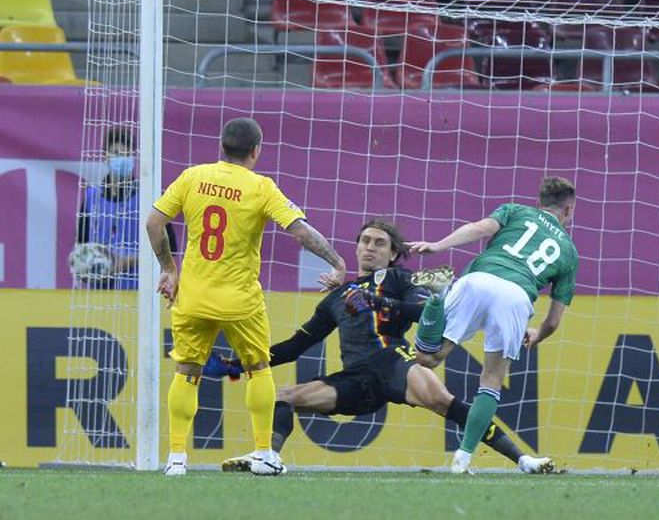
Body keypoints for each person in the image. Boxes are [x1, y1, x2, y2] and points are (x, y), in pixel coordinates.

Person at [215, 219, 553, 474]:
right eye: (365, 241)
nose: (370, 247)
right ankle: (270, 458)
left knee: (443, 402)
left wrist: (379, 305)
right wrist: (239, 364)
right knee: (283, 398)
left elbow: (426, 311)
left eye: (379, 243)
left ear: (393, 253)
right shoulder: (338, 297)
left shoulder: (402, 279)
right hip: (357, 381)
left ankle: (523, 459)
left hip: (395, 363)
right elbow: (295, 346)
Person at [145, 117, 346, 476]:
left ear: (221, 147)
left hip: (193, 296)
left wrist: (169, 269)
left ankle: (176, 458)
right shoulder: (260, 187)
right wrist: (337, 260)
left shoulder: (193, 177)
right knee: (258, 369)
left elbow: (154, 222)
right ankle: (264, 452)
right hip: (240, 300)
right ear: (256, 151)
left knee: (187, 372)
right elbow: (300, 233)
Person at [409, 177, 579, 474]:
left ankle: (436, 297)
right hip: (516, 297)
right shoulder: (569, 252)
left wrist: (438, 245)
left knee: (426, 359)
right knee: (491, 380)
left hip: (479, 280)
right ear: (568, 210)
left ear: (538, 203)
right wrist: (537, 334)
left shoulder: (515, 210)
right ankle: (462, 461)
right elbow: (553, 320)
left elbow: (480, 228)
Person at [76, 127, 174, 288]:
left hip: (140, 289)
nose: (121, 158)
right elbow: (81, 245)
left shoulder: (149, 197)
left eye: (126, 154)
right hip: (99, 290)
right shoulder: (91, 197)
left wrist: (127, 262)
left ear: (133, 157)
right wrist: (85, 265)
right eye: (116, 153)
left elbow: (171, 247)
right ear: (105, 157)